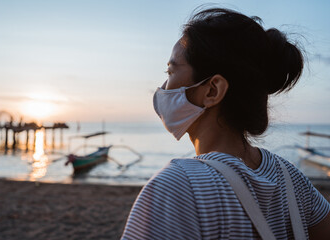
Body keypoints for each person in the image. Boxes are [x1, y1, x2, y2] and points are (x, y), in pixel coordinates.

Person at [121, 8, 330, 239]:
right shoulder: (292, 178)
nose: (162, 87)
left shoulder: (177, 187)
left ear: (212, 90)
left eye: (170, 71)